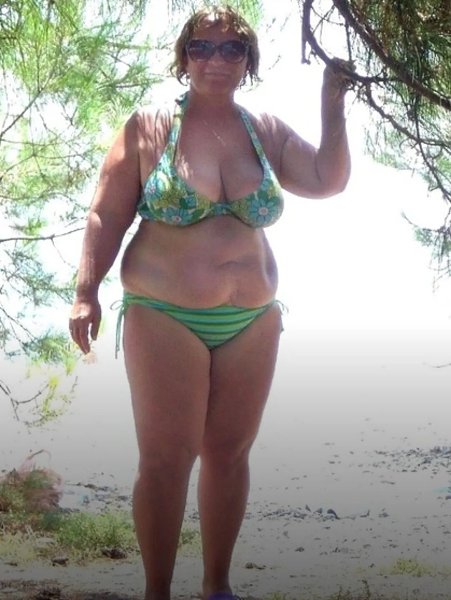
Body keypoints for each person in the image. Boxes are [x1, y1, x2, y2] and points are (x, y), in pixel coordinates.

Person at [69, 5, 352, 600]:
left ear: (248, 61)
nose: (215, 59)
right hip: (164, 314)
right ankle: (158, 591)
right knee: (166, 459)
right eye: (202, 47)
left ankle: (217, 587)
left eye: (231, 49)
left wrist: (332, 103)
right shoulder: (149, 128)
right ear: (183, 57)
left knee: (230, 454)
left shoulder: (264, 130)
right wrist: (85, 293)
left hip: (252, 319)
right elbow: (104, 215)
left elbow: (326, 179)